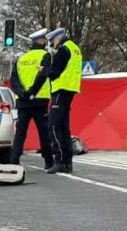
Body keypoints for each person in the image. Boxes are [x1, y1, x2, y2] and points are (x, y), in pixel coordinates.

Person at [36, 27, 83, 174]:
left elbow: (55, 71)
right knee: (64, 128)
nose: (52, 45)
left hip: (60, 90)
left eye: (52, 42)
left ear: (57, 38)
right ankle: (68, 162)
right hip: (70, 89)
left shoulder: (63, 49)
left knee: (54, 127)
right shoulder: (75, 48)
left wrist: (43, 70)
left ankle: (59, 160)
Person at [9, 29, 53, 170]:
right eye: (44, 40)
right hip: (39, 100)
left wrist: (23, 94)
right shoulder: (45, 56)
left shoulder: (21, 58)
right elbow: (43, 76)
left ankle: (14, 161)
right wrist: (32, 93)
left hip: (23, 102)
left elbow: (13, 80)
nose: (46, 42)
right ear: (41, 41)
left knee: (20, 133)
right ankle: (48, 161)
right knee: (44, 132)